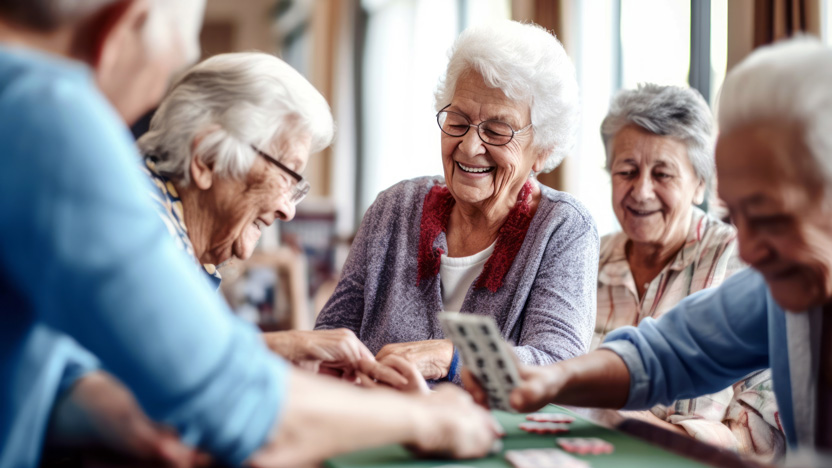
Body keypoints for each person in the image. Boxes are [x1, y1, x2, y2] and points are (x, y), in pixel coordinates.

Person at [0, 2, 497, 467]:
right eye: (288, 175)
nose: (287, 209)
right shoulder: (47, 119)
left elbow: (62, 370)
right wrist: (429, 419)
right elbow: (232, 403)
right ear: (119, 28)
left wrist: (120, 401)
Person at [463, 37, 832, 455]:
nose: (746, 250)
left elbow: (759, 445)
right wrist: (553, 378)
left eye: (769, 217)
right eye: (736, 217)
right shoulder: (775, 290)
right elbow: (664, 354)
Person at [315, 19, 598, 384]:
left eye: (497, 131)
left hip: (487, 439)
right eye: (458, 121)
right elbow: (330, 339)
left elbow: (560, 368)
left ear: (542, 150)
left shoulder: (564, 228)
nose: (469, 147)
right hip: (377, 426)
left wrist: (450, 358)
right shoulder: (394, 209)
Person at [136, 51, 404, 376]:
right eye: (286, 175)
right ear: (206, 158)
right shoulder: (144, 228)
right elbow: (167, 373)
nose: (288, 210)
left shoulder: (168, 230)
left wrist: (282, 347)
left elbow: (185, 349)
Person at [595, 84, 782, 457]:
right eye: (626, 171)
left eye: (663, 174)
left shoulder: (742, 262)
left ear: (699, 184)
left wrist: (645, 429)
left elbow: (765, 431)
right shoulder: (590, 257)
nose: (641, 191)